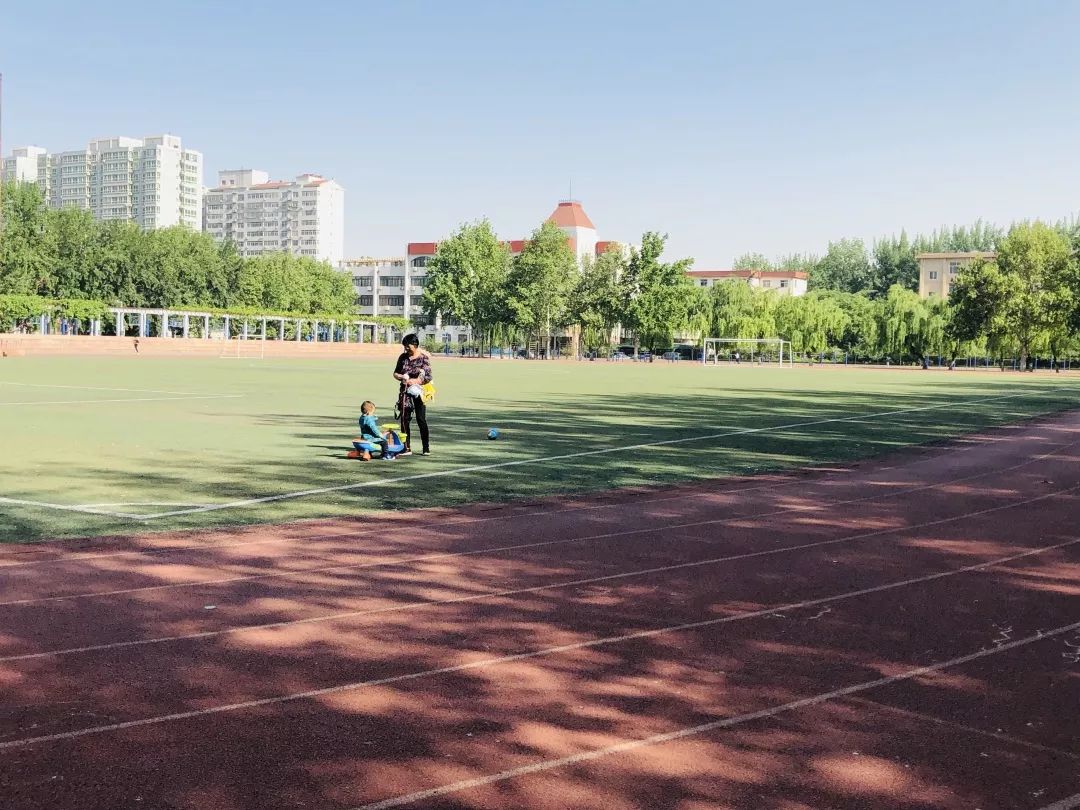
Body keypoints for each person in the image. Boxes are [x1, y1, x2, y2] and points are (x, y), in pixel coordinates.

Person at [394, 334, 433, 456]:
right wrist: (402, 377)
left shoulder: (424, 359)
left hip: (419, 392)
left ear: (415, 345)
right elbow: (395, 373)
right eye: (405, 347)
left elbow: (428, 376)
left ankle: (425, 448)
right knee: (404, 419)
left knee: (421, 419)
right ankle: (406, 448)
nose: (406, 349)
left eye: (408, 346)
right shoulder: (403, 357)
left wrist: (416, 381)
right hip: (405, 392)